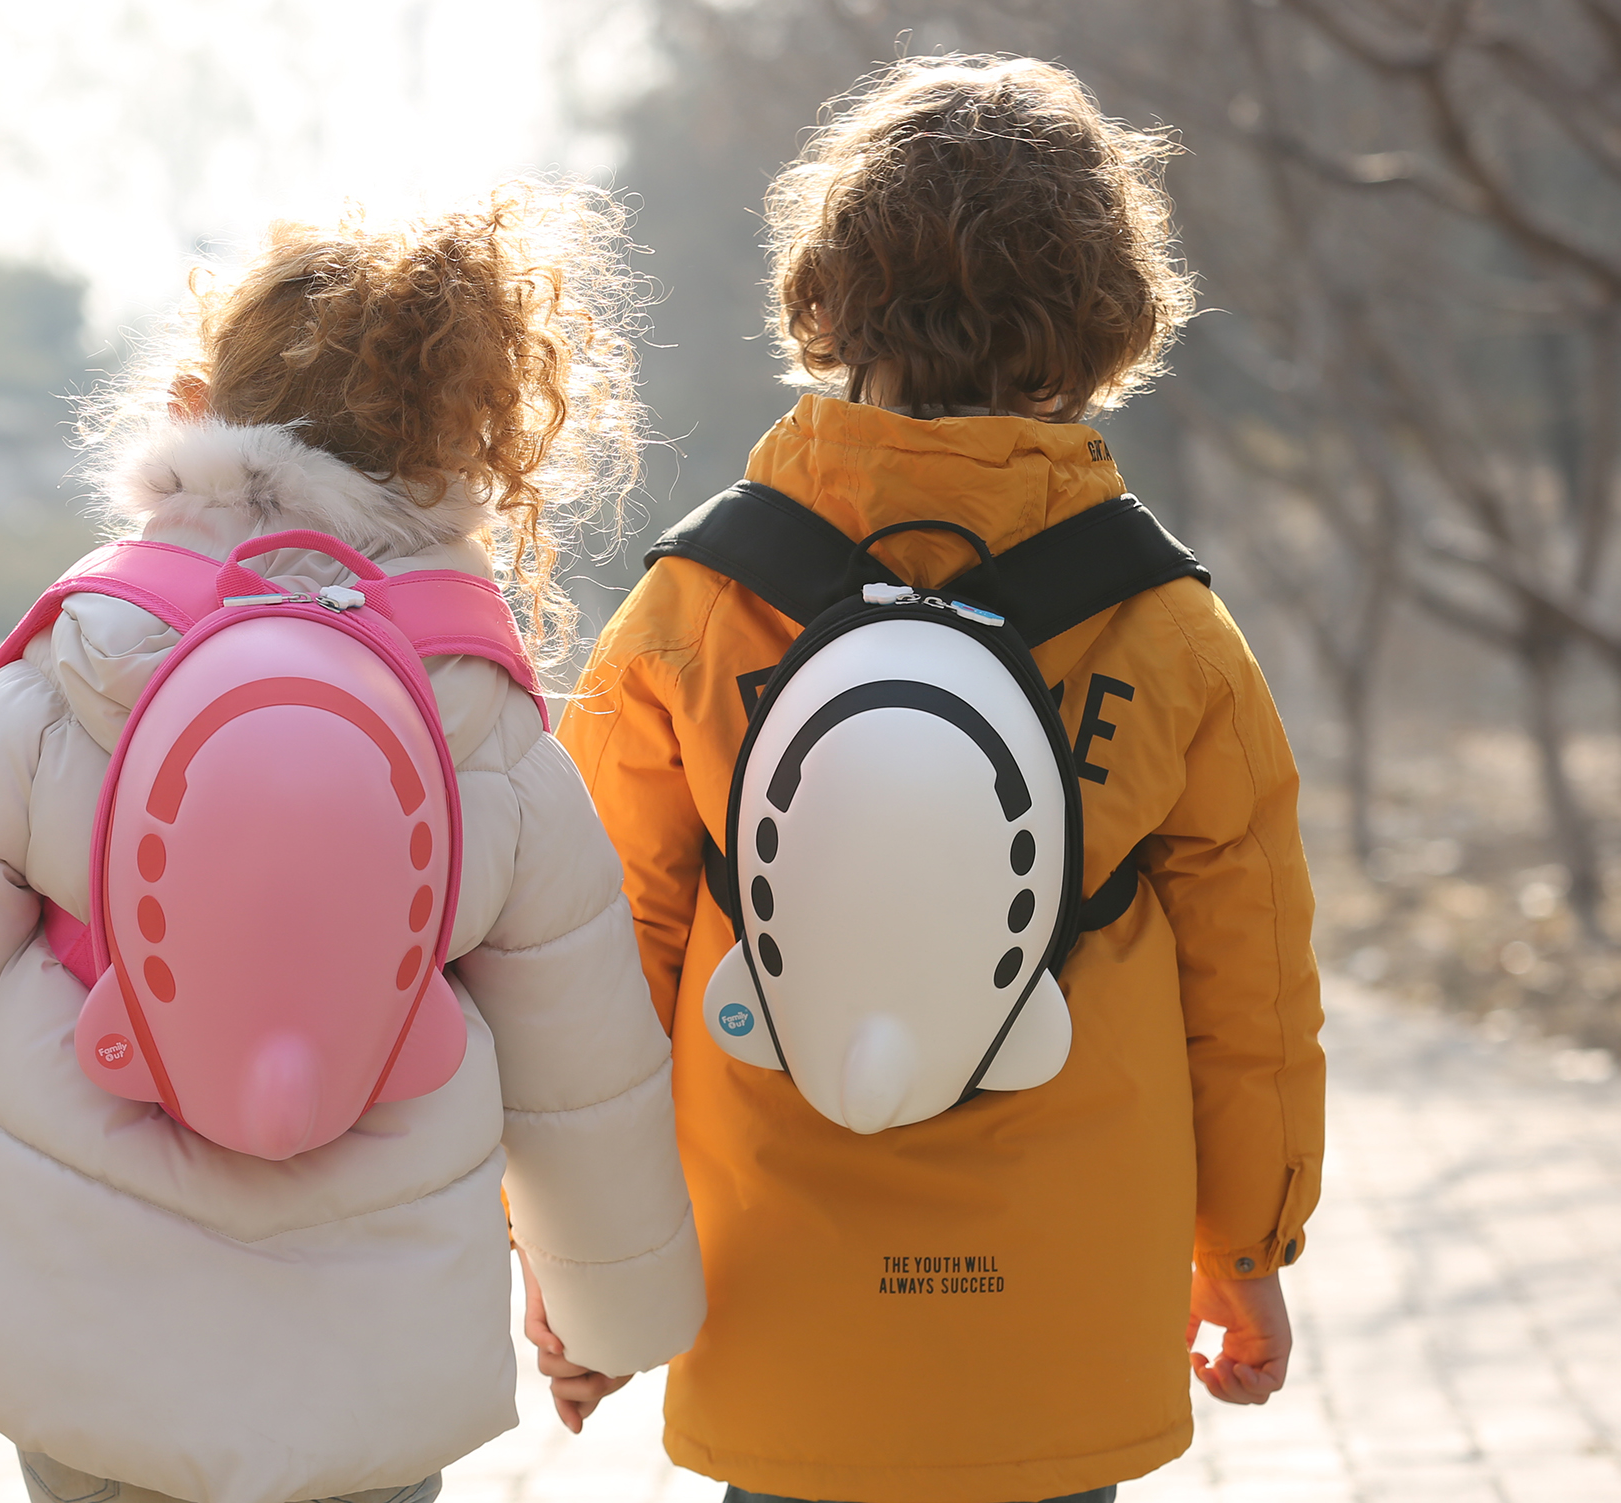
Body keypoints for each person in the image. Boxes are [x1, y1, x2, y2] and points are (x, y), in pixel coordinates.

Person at [0, 180, 705, 1503]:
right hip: (370, 1367)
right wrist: (603, 1321)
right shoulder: (487, 733)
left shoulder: (68, 680)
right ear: (463, 461)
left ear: (192, 418)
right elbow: (587, 1078)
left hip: (80, 1337)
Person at [549, 56, 1324, 1503]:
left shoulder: (697, 608)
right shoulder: (1168, 629)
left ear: (827, 296)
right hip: (1064, 1331)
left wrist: (583, 1275)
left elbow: (599, 963)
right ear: (1106, 322)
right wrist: (1248, 1249)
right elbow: (1250, 988)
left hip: (778, 1315)